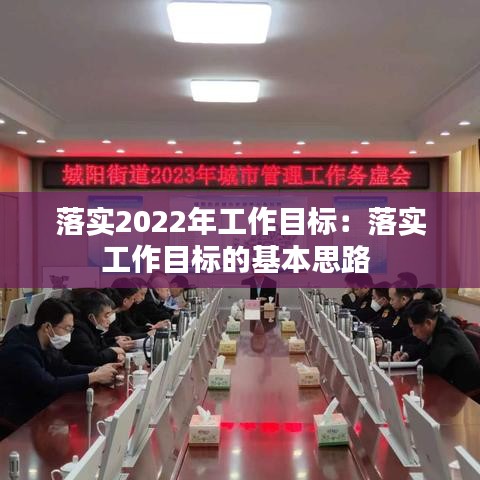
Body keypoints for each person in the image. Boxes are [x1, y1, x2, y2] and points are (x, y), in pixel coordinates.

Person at [0, 298, 118, 437]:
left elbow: (65, 368)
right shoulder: (19, 350)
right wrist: (94, 377)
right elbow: (48, 384)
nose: (69, 334)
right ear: (47, 327)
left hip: (40, 407)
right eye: (66, 329)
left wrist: (97, 370)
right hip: (17, 419)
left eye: (71, 329)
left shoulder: (46, 342)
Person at [393, 300, 480, 393]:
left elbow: (433, 364)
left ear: (428, 323)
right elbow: (423, 346)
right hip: (446, 380)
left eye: (414, 329)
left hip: (464, 390)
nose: (413, 334)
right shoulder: (437, 322)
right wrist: (407, 354)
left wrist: (405, 367)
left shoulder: (448, 334)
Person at [62, 291, 126, 366]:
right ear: (91, 317)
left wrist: (114, 342)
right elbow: (94, 359)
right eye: (106, 316)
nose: (109, 321)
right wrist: (115, 350)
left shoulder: (93, 328)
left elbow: (100, 348)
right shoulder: (78, 331)